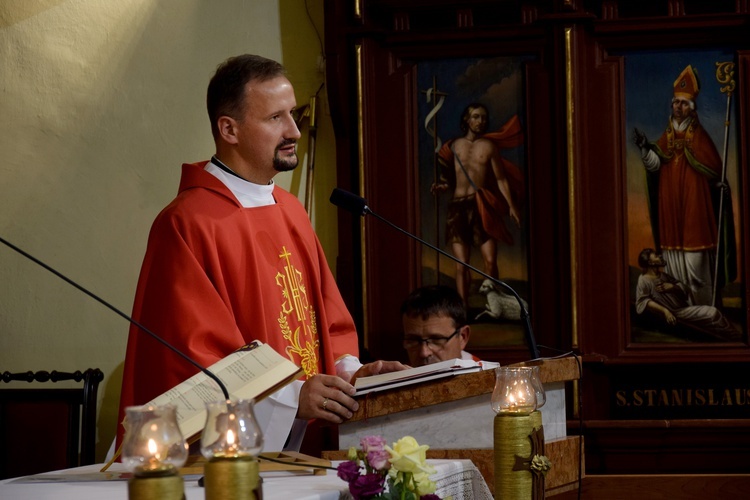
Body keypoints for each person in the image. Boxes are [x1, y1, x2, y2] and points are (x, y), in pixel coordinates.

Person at [117, 54, 406, 452]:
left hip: (304, 446)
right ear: (229, 129)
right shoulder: (187, 223)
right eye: (275, 118)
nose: (294, 131)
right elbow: (189, 363)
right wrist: (290, 400)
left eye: (293, 115)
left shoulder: (290, 210)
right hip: (227, 460)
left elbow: (328, 323)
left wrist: (351, 375)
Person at [632, 64, 735, 306]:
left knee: (696, 262)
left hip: (695, 209)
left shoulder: (700, 137)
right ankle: (682, 309)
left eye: (683, 103)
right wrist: (645, 148)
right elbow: (655, 165)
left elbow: (712, 168)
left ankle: (704, 308)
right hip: (671, 210)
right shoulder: (667, 137)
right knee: (674, 263)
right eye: (676, 102)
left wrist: (717, 184)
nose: (678, 107)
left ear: (691, 108)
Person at [433, 103, 524, 307]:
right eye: (476, 117)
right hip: (457, 208)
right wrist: (441, 187)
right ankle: (463, 310)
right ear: (467, 120)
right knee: (461, 265)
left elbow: (501, 179)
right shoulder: (454, 146)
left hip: (481, 206)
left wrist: (512, 206)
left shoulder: (488, 147)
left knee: (490, 261)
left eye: (483, 117)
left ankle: (493, 304)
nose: (480, 121)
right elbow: (448, 179)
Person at [635, 248, 740, 341]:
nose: (660, 256)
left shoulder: (663, 275)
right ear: (650, 262)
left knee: (713, 317)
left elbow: (683, 287)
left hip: (683, 309)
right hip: (676, 313)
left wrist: (672, 287)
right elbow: (642, 301)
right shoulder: (644, 280)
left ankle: (732, 335)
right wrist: (665, 311)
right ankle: (734, 336)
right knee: (712, 312)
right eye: (656, 256)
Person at [400, 285, 480, 366]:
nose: (424, 353)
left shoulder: (486, 377)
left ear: (463, 337)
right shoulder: (398, 376)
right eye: (413, 340)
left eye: (436, 339)